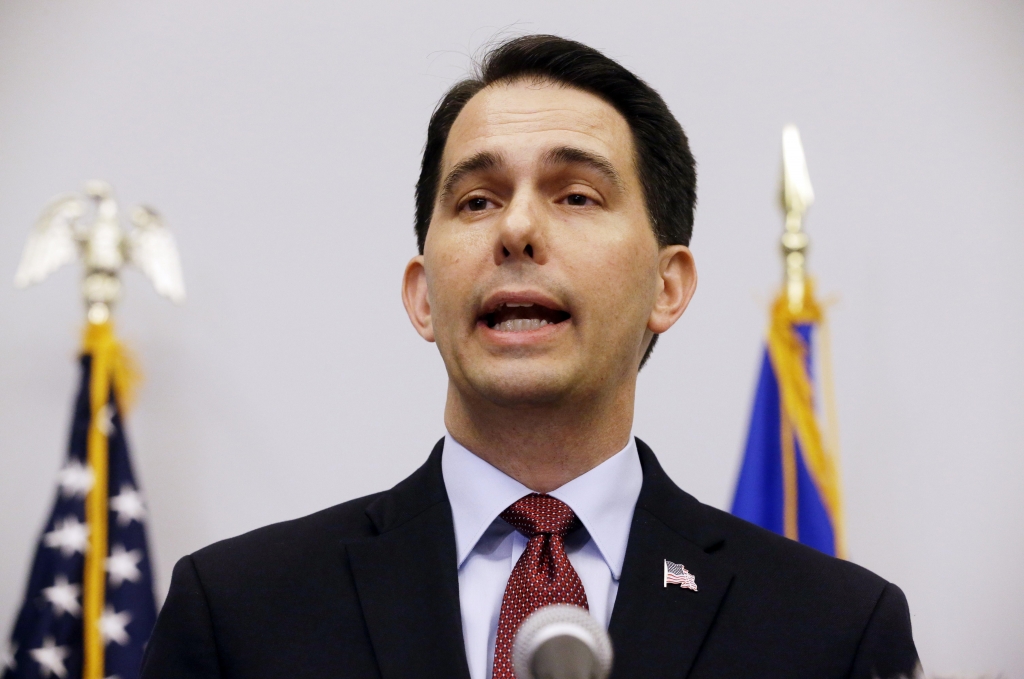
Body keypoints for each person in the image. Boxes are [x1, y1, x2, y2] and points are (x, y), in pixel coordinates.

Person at [141, 35, 919, 679]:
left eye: (575, 194)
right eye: (476, 200)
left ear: (668, 286)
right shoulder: (240, 612)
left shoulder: (834, 629)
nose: (515, 229)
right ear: (421, 295)